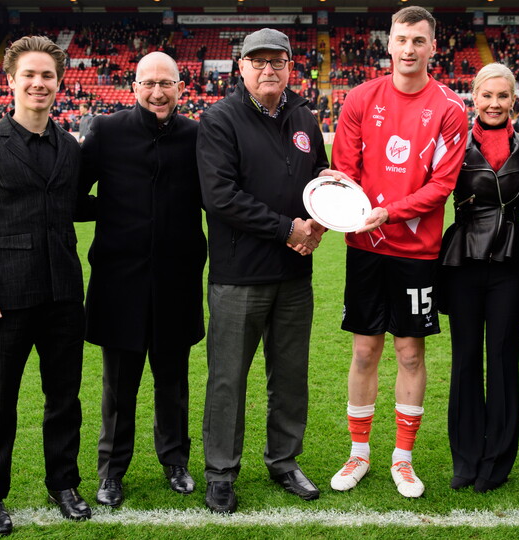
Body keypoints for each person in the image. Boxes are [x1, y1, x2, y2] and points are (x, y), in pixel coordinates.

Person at [197, 28, 346, 514]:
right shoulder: (220, 119)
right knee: (228, 379)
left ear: (289, 67)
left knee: (290, 376)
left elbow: (318, 180)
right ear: (241, 68)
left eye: (277, 61)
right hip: (239, 275)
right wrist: (287, 229)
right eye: (258, 61)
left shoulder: (304, 115)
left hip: (293, 276)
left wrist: (323, 218)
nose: (268, 69)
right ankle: (221, 472)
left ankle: (284, 461)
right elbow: (220, 197)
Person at [329, 6, 468, 499]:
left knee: (410, 352)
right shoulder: (361, 98)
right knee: (365, 349)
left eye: (419, 41)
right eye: (401, 39)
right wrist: (349, 207)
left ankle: (403, 460)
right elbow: (343, 170)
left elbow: (443, 185)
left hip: (416, 250)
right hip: (364, 246)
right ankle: (359, 453)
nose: (408, 49)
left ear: (433, 47)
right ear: (388, 44)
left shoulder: (451, 108)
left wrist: (389, 212)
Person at [0, 35, 91, 536]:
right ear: (10, 81)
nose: (39, 83)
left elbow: (75, 207)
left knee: (64, 397)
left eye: (48, 76)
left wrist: (138, 205)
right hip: (5, 299)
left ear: (59, 84)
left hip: (62, 294)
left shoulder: (70, 149)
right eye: (29, 75)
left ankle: (64, 484)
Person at [78, 51, 206, 507]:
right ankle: (111, 471)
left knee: (173, 381)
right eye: (148, 83)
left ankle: (175, 462)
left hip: (177, 281)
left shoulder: (197, 135)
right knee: (119, 385)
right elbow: (74, 195)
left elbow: (220, 198)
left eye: (166, 83)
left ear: (179, 87)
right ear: (134, 87)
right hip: (120, 282)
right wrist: (110, 212)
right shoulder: (107, 132)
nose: (157, 92)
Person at [439, 63, 519, 494]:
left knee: (501, 361)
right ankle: (465, 458)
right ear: (473, 97)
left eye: (502, 96)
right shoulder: (452, 148)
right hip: (463, 263)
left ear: (513, 100)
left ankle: (496, 461)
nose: (494, 104)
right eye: (486, 95)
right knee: (464, 362)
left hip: (511, 266)